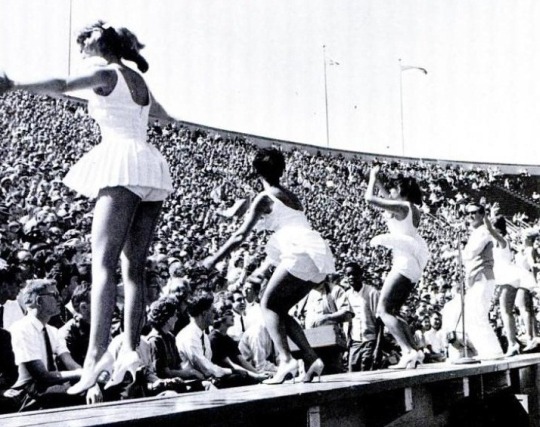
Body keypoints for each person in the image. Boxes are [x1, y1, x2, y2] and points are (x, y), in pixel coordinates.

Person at [0, 20, 178, 394]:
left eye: (85, 46)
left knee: (102, 263)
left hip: (122, 160)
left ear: (100, 48)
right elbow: (161, 115)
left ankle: (96, 356)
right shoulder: (137, 79)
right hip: (150, 165)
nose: (81, 52)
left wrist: (15, 84)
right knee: (134, 270)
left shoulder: (104, 72)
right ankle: (129, 348)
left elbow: (63, 86)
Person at [203, 148, 336, 384]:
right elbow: (264, 208)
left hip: (298, 250)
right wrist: (238, 209)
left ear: (256, 172)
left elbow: (240, 236)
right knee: (280, 309)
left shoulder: (263, 198)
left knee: (267, 303)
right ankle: (310, 357)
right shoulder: (288, 196)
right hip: (315, 252)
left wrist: (214, 259)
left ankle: (286, 360)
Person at [364, 165, 430, 369]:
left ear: (401, 192)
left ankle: (407, 350)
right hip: (410, 264)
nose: (390, 192)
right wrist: (381, 183)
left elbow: (370, 199)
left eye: (394, 189)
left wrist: (373, 179)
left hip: (403, 263)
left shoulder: (403, 207)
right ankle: (414, 351)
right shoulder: (409, 208)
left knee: (382, 310)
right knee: (394, 310)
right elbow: (387, 198)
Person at [8, 279, 101, 410]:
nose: (60, 299)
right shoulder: (21, 329)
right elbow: (43, 376)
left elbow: (71, 364)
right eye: (54, 295)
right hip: (26, 397)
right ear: (38, 301)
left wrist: (91, 383)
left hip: (48, 393)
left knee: (99, 392)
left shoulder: (53, 331)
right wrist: (87, 375)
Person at [461, 204, 504, 360]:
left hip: (483, 276)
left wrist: (459, 251)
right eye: (467, 213)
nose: (469, 216)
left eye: (473, 213)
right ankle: (487, 350)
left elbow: (470, 253)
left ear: (482, 214)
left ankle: (492, 351)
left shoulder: (483, 232)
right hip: (477, 276)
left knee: (478, 315)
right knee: (473, 316)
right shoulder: (476, 232)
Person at [343, 262, 380, 372]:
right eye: (348, 275)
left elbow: (380, 322)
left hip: (370, 341)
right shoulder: (347, 295)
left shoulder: (372, 293)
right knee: (352, 375)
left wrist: (378, 348)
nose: (351, 277)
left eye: (354, 274)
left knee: (367, 375)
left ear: (361, 274)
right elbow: (348, 322)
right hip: (355, 343)